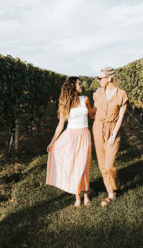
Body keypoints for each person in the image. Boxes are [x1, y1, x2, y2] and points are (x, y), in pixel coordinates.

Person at [46, 76, 94, 207]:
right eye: (79, 84)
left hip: (84, 135)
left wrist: (101, 106)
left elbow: (92, 115)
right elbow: (61, 124)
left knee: (84, 165)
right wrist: (52, 142)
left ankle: (86, 194)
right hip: (70, 136)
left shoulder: (85, 99)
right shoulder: (64, 102)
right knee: (73, 166)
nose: (81, 85)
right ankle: (77, 196)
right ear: (72, 86)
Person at [92, 67, 128, 206]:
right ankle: (111, 194)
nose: (98, 80)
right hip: (98, 128)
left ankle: (116, 183)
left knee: (109, 165)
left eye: (100, 78)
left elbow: (120, 118)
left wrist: (113, 134)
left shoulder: (121, 95)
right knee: (102, 165)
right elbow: (94, 111)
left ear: (109, 78)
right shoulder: (98, 93)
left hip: (113, 129)